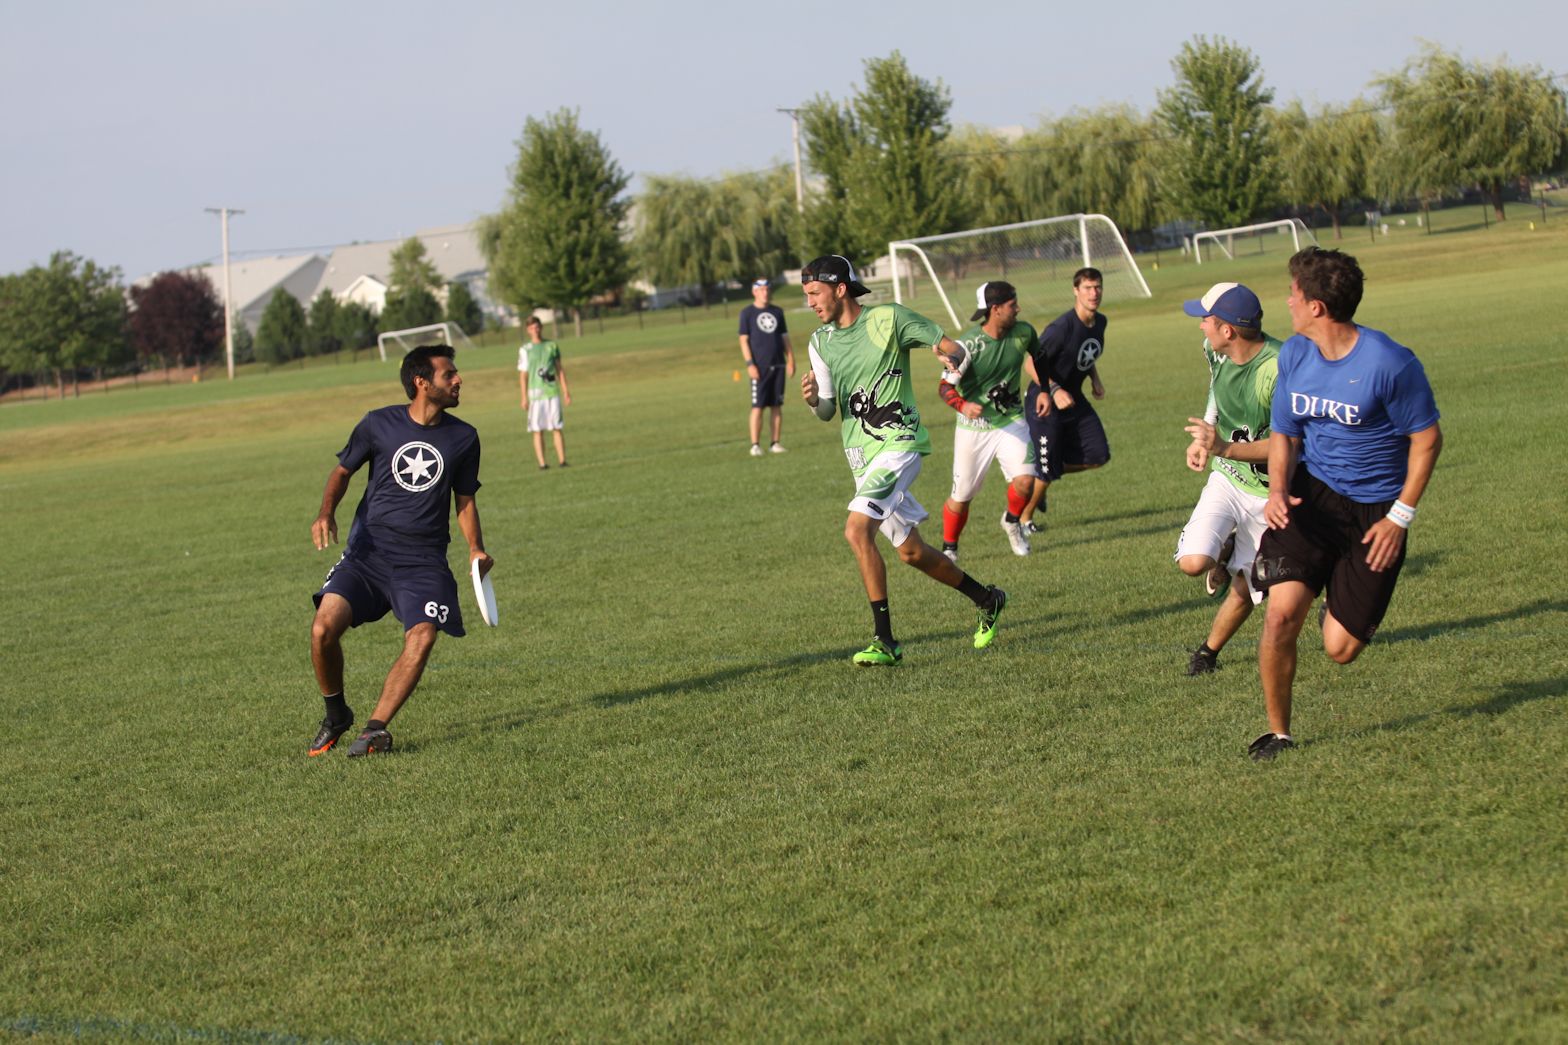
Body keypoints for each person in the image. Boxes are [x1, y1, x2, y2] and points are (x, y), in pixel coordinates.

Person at [1249, 247, 1442, 761]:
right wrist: (1276, 489)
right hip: (1311, 495)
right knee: (1280, 617)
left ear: (1316, 307)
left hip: (1376, 513)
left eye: (1293, 293)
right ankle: (1279, 733)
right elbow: (1285, 432)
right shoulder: (1295, 354)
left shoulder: (1390, 363)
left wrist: (1400, 517)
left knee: (1340, 649)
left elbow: (1427, 440)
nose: (1287, 301)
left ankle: (1334, 594)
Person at [798, 255, 1008, 666]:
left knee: (857, 531)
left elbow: (954, 348)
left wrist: (950, 361)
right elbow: (827, 410)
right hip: (862, 459)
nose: (810, 303)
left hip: (899, 445)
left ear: (840, 289)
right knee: (911, 552)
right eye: (807, 295)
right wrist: (812, 401)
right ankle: (988, 599)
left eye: (815, 293)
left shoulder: (888, 319)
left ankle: (885, 641)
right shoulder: (819, 342)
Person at [308, 344, 492, 757]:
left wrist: (475, 549)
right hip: (367, 555)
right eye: (449, 374)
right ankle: (336, 713)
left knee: (422, 635)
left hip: (423, 562)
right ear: (421, 382)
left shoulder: (464, 437)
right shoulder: (378, 423)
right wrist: (325, 512)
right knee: (322, 630)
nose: (459, 379)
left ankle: (374, 730)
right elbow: (342, 470)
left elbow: (465, 500)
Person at [1172, 282, 1281, 676]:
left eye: (1206, 319)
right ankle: (1226, 547)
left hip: (1271, 493)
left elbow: (1287, 446)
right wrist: (1206, 435)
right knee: (1192, 563)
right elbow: (1217, 387)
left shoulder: (1278, 370)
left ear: (1228, 330)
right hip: (1228, 479)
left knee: (1249, 585)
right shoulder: (1214, 348)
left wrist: (1223, 446)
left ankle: (1207, 653)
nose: (1201, 325)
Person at [938, 281, 1040, 561]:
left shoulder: (1024, 332)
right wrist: (963, 405)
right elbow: (944, 388)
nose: (1018, 309)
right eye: (1012, 305)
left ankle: (1012, 522)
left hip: (1011, 420)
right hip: (974, 429)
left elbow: (1039, 357)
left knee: (1026, 481)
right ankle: (949, 548)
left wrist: (1046, 389)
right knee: (962, 496)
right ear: (995, 309)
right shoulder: (968, 346)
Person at [1019, 267, 1111, 532]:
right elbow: (1031, 364)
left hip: (1074, 397)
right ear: (1075, 291)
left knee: (1098, 454)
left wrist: (1094, 378)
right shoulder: (1061, 328)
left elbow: (1086, 353)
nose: (1094, 293)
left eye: (1097, 287)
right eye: (1087, 288)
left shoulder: (1100, 322)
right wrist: (1055, 390)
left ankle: (1046, 471)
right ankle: (1024, 520)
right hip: (1044, 400)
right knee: (1047, 468)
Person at [738, 277, 796, 456]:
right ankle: (755, 445)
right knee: (758, 406)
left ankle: (775, 443)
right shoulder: (747, 313)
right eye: (762, 290)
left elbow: (784, 337)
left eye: (767, 289)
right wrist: (750, 364)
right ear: (754, 292)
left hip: (778, 365)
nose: (765, 293)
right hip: (759, 367)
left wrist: (791, 359)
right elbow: (743, 340)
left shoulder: (777, 312)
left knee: (776, 405)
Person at [519, 315, 571, 469]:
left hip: (551, 392)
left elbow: (559, 370)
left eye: (537, 327)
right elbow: (523, 375)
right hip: (535, 395)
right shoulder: (525, 349)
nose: (535, 330)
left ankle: (562, 461)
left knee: (557, 427)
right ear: (528, 330)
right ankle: (543, 463)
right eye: (532, 328)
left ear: (541, 327)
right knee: (537, 429)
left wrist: (566, 391)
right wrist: (524, 397)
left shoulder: (551, 346)